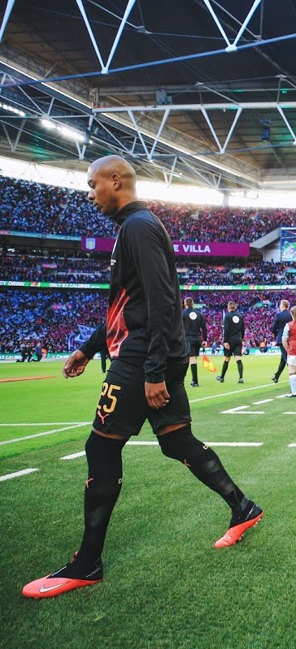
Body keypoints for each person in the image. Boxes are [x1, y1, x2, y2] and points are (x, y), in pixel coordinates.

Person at [22, 155, 262, 599]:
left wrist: (152, 371)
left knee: (101, 445)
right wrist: (87, 348)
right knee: (175, 441)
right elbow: (125, 305)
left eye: (93, 185)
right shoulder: (133, 228)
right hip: (148, 354)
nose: (90, 194)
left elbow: (161, 302)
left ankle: (87, 562)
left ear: (117, 181)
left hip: (142, 358)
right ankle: (242, 506)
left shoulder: (137, 227)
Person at [182, 297, 208, 387]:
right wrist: (205, 340)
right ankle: (194, 380)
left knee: (189, 359)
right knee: (193, 359)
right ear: (192, 303)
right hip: (197, 339)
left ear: (185, 304)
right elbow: (204, 328)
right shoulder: (199, 314)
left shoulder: (183, 314)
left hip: (188, 339)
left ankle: (194, 381)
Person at [217, 301, 244, 383]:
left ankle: (222, 377)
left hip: (230, 340)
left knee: (227, 359)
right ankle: (241, 378)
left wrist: (225, 341)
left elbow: (226, 329)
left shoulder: (227, 316)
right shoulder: (240, 316)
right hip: (238, 339)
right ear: (235, 307)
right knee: (238, 358)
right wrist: (241, 339)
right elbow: (243, 329)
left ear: (228, 308)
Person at [270, 299, 291, 384]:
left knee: (286, 358)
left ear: (282, 305)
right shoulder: (290, 315)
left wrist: (275, 334)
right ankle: (276, 376)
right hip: (290, 338)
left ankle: (295, 377)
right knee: (283, 358)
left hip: (281, 338)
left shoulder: (279, 315)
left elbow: (274, 328)